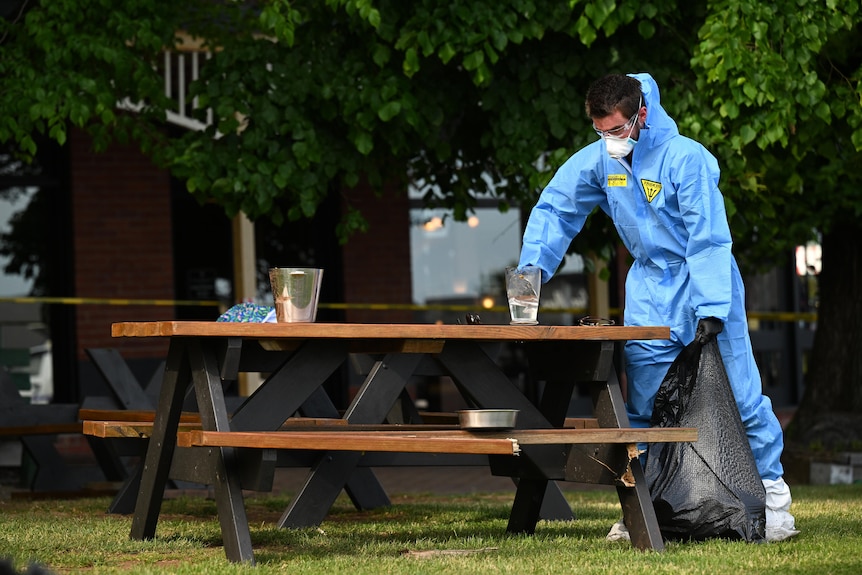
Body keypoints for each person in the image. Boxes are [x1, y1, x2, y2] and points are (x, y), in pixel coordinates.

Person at [518, 72, 799, 542]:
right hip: (649, 287)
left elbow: (708, 236)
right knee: (644, 405)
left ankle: (773, 501)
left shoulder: (686, 159)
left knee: (741, 395)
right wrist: (532, 271)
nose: (609, 140)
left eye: (617, 129)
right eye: (600, 131)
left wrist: (711, 306)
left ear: (640, 114)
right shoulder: (600, 161)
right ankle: (641, 507)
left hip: (700, 279)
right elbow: (556, 208)